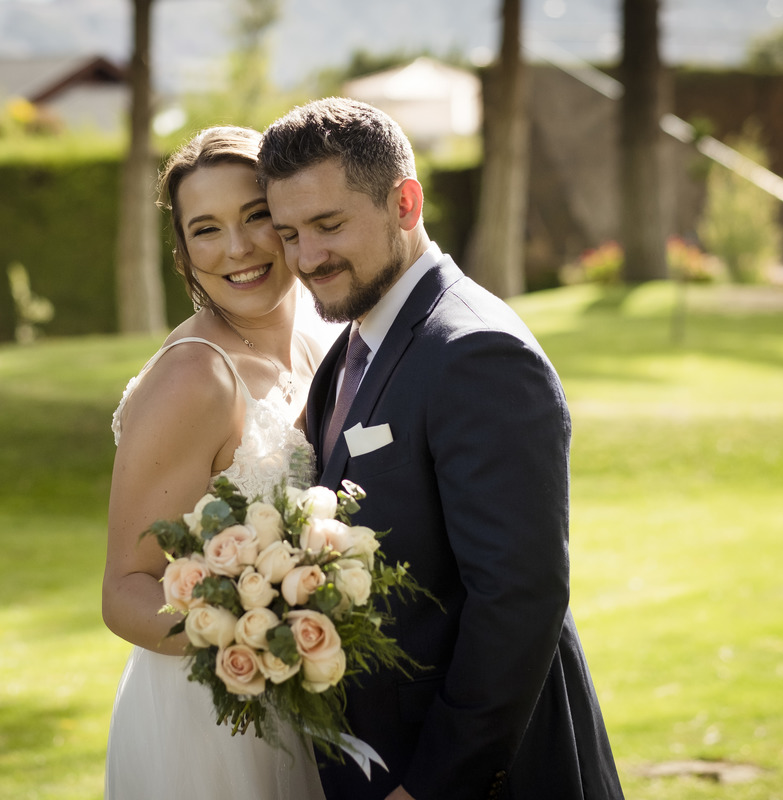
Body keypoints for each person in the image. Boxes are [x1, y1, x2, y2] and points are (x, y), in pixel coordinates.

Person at [257, 98, 625, 800]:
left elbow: (519, 597)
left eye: (329, 225)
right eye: (289, 232)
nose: (307, 258)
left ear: (405, 201)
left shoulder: (477, 351)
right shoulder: (352, 349)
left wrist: (431, 785)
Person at [101, 126, 331, 800]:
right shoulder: (195, 377)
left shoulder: (324, 338)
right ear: (183, 253)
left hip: (321, 699)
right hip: (215, 727)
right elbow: (125, 590)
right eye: (206, 229)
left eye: (256, 215)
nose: (238, 249)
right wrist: (255, 644)